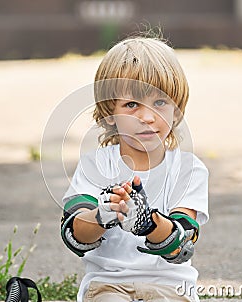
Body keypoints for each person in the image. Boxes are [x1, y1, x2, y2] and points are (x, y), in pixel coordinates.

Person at [60, 35, 209, 302]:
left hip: (171, 286)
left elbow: (182, 244)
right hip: (108, 285)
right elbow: (73, 235)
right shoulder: (95, 165)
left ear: (176, 109)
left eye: (160, 102)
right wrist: (102, 214)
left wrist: (146, 222)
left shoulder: (188, 170)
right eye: (131, 105)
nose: (148, 117)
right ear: (109, 112)